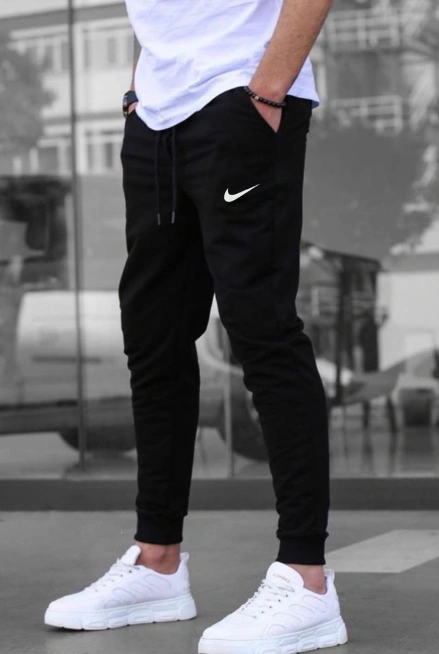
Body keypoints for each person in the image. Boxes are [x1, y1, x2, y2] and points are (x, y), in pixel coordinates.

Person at [44, 1, 348, 651]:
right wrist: (138, 91)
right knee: (153, 336)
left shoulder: (254, 95)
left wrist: (267, 90)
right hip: (156, 113)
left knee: (260, 330)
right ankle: (157, 563)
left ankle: (307, 579)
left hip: (240, 97)